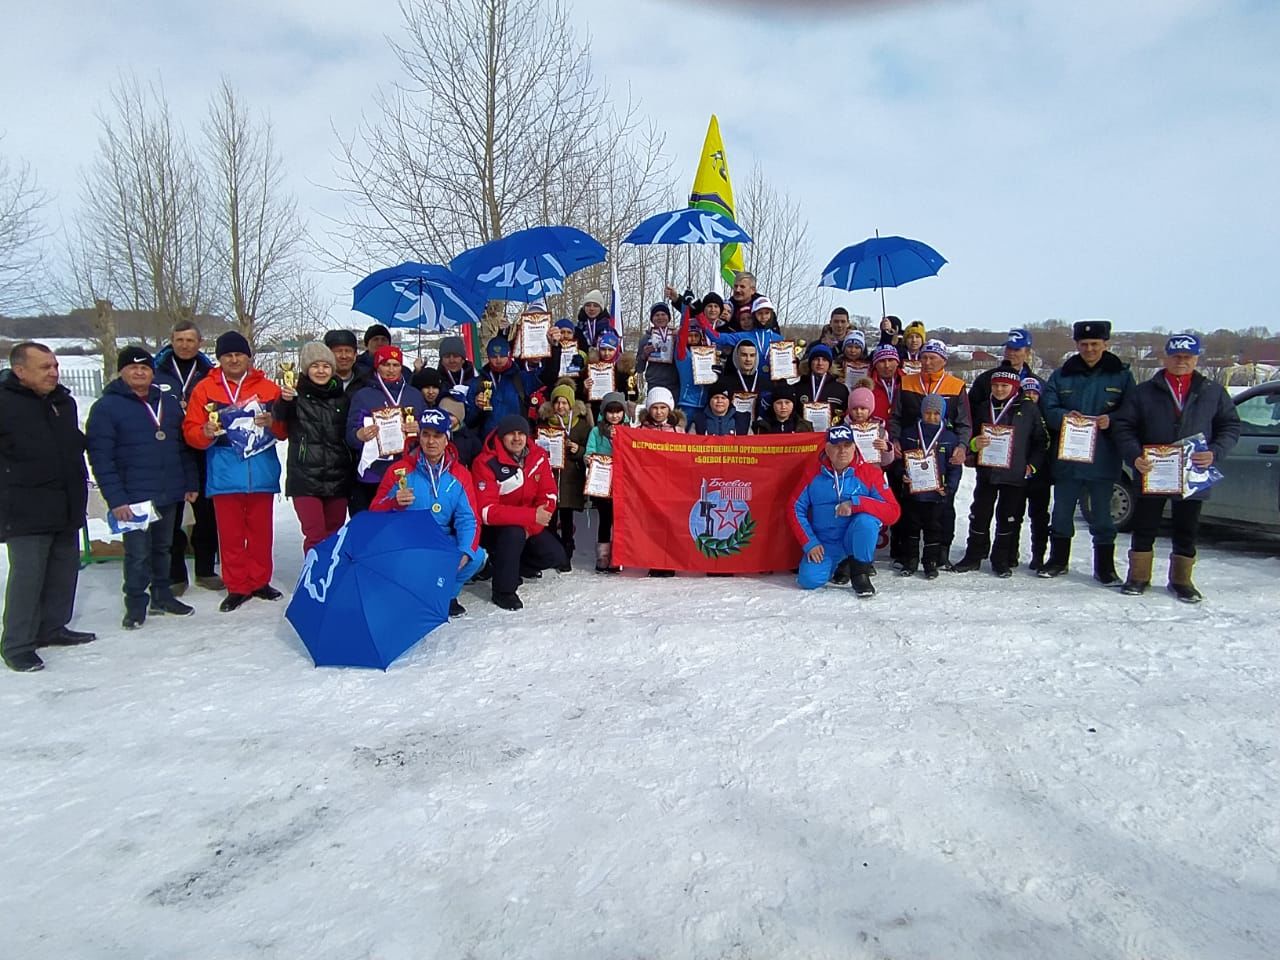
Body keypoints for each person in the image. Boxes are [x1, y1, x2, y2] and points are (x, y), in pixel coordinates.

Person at [1111, 333, 1241, 602]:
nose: (1182, 362)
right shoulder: (1144, 391)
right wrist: (1134, 455)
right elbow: (1124, 426)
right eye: (1176, 356)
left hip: (1192, 471)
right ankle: (1138, 576)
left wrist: (1214, 453)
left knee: (1187, 527)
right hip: (1152, 470)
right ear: (1165, 357)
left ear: (1196, 359)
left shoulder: (1212, 391)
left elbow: (1230, 426)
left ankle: (1182, 580)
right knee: (1145, 525)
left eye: (1188, 357)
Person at [86, 346, 198, 630]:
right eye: (133, 368)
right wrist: (116, 499)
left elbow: (182, 446)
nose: (139, 372)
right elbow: (101, 458)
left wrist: (189, 482)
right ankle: (136, 604)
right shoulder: (107, 407)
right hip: (134, 496)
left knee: (164, 547)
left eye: (145, 368)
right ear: (121, 371)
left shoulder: (168, 403)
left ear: (152, 372)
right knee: (137, 554)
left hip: (168, 489)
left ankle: (162, 595)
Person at [0, 343, 95, 672]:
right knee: (28, 578)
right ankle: (17, 644)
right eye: (45, 367)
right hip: (24, 507)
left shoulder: (63, 402)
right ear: (20, 371)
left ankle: (52, 628)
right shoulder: (5, 402)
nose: (53, 372)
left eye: (54, 366)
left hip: (66, 502)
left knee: (62, 571)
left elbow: (70, 443)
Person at [182, 332, 288, 612]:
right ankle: (238, 586)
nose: (234, 359)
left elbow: (285, 430)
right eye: (227, 355)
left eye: (239, 354)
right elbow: (190, 431)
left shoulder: (268, 388)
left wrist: (273, 422)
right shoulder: (205, 389)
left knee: (261, 533)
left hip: (261, 470)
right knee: (229, 535)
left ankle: (260, 581)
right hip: (225, 471)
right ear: (219, 359)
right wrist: (204, 432)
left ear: (248, 357)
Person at [1038, 320, 1135, 582]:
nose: (1089, 349)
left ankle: (1104, 567)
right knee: (1061, 513)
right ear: (1077, 345)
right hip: (1069, 458)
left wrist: (1112, 419)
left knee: (1103, 515)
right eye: (1084, 344)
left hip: (1103, 459)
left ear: (1106, 344)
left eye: (1094, 344)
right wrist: (1065, 416)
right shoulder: (1062, 375)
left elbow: (1132, 410)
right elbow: (1048, 407)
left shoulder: (1121, 376)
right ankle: (1058, 560)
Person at [370, 407, 487, 617]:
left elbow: (468, 519)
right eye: (426, 434)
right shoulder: (400, 470)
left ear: (447, 439)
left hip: (440, 540)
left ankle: (448, 595)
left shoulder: (460, 474)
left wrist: (464, 551)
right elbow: (374, 511)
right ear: (419, 436)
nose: (431, 441)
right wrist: (393, 502)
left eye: (437, 435)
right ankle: (413, 594)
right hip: (406, 542)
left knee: (476, 555)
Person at [950, 368, 1048, 577]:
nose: (999, 389)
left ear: (1014, 387)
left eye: (1004, 386)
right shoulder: (984, 407)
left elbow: (1041, 440)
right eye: (996, 386)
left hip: (1015, 474)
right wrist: (974, 446)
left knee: (1008, 517)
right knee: (979, 513)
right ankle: (974, 555)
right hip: (988, 471)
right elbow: (970, 434)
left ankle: (1000, 559)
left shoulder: (1028, 408)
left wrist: (1032, 464)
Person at [791, 424, 901, 597]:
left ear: (854, 446)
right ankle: (842, 563)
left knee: (867, 521)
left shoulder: (870, 474)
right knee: (809, 581)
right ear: (827, 449)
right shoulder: (812, 473)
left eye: (847, 445)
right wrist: (810, 542)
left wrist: (856, 503)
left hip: (852, 540)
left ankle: (860, 571)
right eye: (836, 446)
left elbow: (893, 512)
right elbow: (795, 508)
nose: (842, 451)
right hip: (825, 542)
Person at [473, 414, 566, 610]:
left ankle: (513, 565)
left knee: (556, 556)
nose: (516, 438)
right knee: (513, 534)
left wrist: (531, 524)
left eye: (521, 433)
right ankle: (503, 591)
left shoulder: (538, 455)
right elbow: (487, 512)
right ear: (501, 436)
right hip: (495, 530)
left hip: (528, 524)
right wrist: (530, 517)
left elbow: (549, 494)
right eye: (510, 434)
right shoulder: (485, 462)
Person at [154, 319, 221, 595]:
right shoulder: (157, 372)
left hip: (203, 449)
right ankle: (176, 574)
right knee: (172, 514)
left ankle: (205, 570)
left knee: (207, 513)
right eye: (179, 340)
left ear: (199, 343)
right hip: (168, 450)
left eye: (190, 340)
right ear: (171, 340)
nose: (184, 345)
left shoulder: (208, 374)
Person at [891, 338, 972, 565]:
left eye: (932, 358)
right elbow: (895, 417)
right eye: (924, 357)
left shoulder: (956, 385)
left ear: (943, 360)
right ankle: (905, 553)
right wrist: (895, 439)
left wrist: (962, 446)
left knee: (944, 505)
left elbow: (964, 422)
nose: (927, 362)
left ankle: (941, 552)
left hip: (943, 454)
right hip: (912, 453)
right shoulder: (907, 382)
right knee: (908, 505)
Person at [274, 341, 353, 554]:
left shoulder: (342, 398)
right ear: (306, 369)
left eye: (326, 366)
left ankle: (330, 580)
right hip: (305, 478)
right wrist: (284, 402)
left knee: (334, 535)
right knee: (315, 535)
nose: (321, 371)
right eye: (315, 366)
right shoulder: (294, 396)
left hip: (337, 478)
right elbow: (279, 424)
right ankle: (312, 582)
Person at [346, 344, 426, 515]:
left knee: (405, 523)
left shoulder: (414, 394)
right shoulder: (363, 395)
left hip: (410, 469)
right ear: (377, 366)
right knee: (376, 523)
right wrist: (359, 435)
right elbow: (350, 435)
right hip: (375, 473)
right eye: (386, 364)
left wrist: (420, 428)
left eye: (395, 365)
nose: (391, 369)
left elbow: (429, 429)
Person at [896, 394, 962, 579]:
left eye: (936, 414)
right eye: (927, 413)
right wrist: (903, 475)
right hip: (913, 494)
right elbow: (900, 461)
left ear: (942, 415)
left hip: (936, 496)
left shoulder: (949, 438)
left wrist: (949, 488)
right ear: (921, 412)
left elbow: (954, 468)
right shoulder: (909, 434)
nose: (931, 417)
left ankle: (930, 563)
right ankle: (910, 561)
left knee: (934, 530)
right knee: (911, 528)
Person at [538, 382, 594, 569]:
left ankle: (567, 550)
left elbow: (590, 450)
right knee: (551, 518)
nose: (560, 406)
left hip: (571, 477)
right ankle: (554, 552)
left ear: (571, 404)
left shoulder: (581, 424)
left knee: (568, 517)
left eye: (564, 402)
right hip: (552, 476)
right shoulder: (545, 424)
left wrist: (579, 450)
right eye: (557, 402)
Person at [585, 392, 628, 573]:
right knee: (604, 520)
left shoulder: (628, 430)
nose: (615, 416)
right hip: (602, 483)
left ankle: (618, 556)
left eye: (618, 411)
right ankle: (602, 555)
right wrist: (589, 459)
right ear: (604, 412)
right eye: (611, 412)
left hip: (622, 484)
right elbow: (589, 450)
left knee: (619, 521)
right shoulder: (596, 431)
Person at [1018, 375, 1053, 570]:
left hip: (1040, 473)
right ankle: (1010, 552)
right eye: (1026, 393)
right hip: (1017, 472)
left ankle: (1038, 554)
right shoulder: (1016, 413)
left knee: (1039, 516)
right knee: (1014, 513)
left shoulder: (1045, 415)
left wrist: (1035, 464)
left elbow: (1046, 443)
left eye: (1034, 393)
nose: (1030, 396)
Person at [704, 296, 786, 376]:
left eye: (767, 313)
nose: (763, 317)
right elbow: (716, 337)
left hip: (771, 385)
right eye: (760, 313)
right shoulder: (743, 336)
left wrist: (792, 363)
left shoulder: (779, 339)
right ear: (754, 315)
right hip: (750, 384)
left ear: (771, 314)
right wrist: (699, 316)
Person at [465, 336, 527, 437]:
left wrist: (554, 348)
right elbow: (469, 421)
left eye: (502, 356)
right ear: (488, 357)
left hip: (515, 439)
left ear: (509, 355)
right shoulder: (477, 382)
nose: (498, 360)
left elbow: (548, 376)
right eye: (494, 357)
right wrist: (477, 407)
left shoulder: (521, 378)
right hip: (488, 442)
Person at [968, 328, 1036, 410]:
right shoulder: (985, 379)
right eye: (1009, 348)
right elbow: (971, 409)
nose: (1011, 353)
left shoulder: (1036, 383)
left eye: (1016, 349)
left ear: (1027, 353)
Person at [636, 303, 681, 397]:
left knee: (674, 412)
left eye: (663, 314)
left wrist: (679, 338)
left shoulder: (676, 336)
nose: (660, 317)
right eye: (657, 315)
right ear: (652, 319)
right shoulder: (646, 338)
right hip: (654, 383)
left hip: (675, 384)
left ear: (669, 317)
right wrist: (644, 355)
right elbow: (639, 368)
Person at [798, 343, 849, 424]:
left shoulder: (841, 389)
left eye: (824, 360)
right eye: (816, 359)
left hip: (830, 434)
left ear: (830, 364)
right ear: (810, 362)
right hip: (804, 435)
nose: (820, 363)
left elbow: (845, 416)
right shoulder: (799, 387)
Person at [440, 397, 480, 467]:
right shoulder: (433, 436)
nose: (446, 418)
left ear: (459, 417)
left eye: (451, 415)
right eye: (443, 414)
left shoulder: (471, 441)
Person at [436, 335, 478, 401]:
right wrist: (418, 371)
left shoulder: (474, 375)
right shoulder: (436, 378)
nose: (451, 360)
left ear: (463, 360)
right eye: (447, 356)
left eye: (455, 356)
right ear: (441, 360)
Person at [324, 329, 366, 395]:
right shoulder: (321, 383)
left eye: (348, 351)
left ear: (355, 355)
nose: (344, 356)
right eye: (338, 351)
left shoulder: (365, 382)